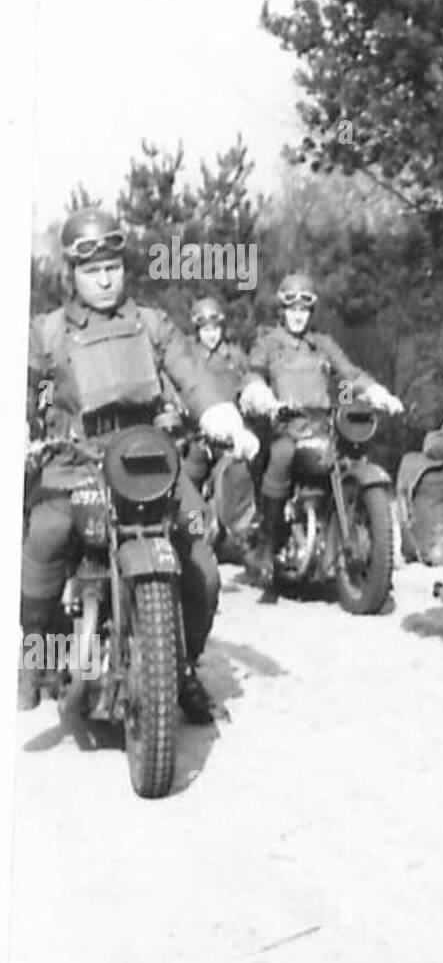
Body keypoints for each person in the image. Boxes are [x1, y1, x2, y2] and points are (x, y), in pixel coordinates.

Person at [22, 206, 260, 719]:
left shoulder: (151, 324)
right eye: (92, 270)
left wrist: (221, 414)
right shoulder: (47, 332)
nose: (105, 279)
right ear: (72, 274)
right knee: (45, 533)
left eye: (113, 266)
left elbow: (190, 373)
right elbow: (24, 382)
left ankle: (182, 667)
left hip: (148, 459)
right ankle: (35, 650)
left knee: (202, 563)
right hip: (76, 460)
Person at [240, 272, 403, 582]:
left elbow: (349, 374)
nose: (298, 316)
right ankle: (269, 541)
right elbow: (254, 375)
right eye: (292, 309)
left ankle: (358, 531)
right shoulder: (269, 342)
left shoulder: (322, 344)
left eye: (304, 310)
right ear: (282, 311)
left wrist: (377, 393)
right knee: (282, 454)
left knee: (351, 456)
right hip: (284, 425)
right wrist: (263, 398)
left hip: (320, 425)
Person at [182, 295, 250, 492]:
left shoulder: (235, 355)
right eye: (205, 330)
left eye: (215, 328)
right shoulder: (189, 356)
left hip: (233, 429)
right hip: (200, 431)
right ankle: (193, 516)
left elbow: (249, 380)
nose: (211, 335)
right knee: (191, 472)